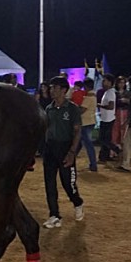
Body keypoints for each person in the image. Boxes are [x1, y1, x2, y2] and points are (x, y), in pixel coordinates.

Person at [41, 77, 84, 228]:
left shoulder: (72, 109)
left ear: (64, 90)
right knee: (49, 183)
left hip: (66, 148)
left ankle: (77, 202)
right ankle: (54, 215)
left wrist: (72, 152)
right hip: (50, 149)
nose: (51, 91)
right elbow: (45, 129)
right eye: (51, 88)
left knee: (68, 183)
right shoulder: (49, 109)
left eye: (55, 88)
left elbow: (77, 132)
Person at [78, 77, 98, 171]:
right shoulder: (93, 96)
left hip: (85, 122)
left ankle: (93, 164)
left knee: (87, 144)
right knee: (80, 143)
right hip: (90, 121)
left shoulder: (88, 98)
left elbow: (82, 110)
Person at [97, 74, 118, 162]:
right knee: (105, 139)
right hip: (106, 118)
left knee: (104, 139)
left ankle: (117, 150)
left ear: (110, 82)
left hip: (108, 119)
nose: (102, 82)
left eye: (104, 81)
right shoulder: (108, 92)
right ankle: (104, 156)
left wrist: (99, 105)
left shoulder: (110, 93)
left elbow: (111, 106)